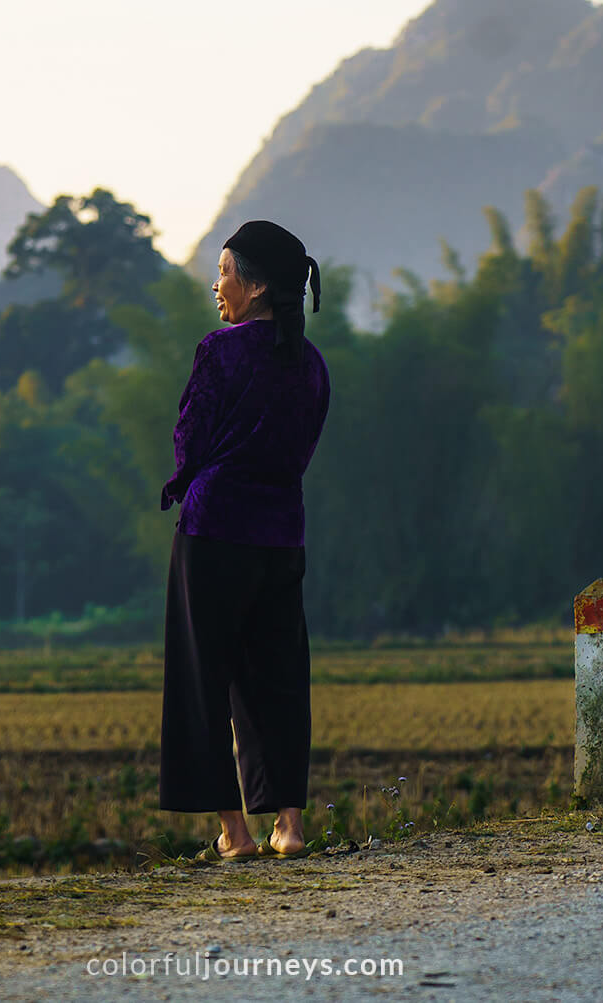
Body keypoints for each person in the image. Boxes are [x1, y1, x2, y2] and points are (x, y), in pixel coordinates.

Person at [158, 220, 331, 862]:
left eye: (226, 271)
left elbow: (190, 438)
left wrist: (184, 481)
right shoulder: (310, 365)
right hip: (282, 532)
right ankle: (290, 826)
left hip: (214, 529)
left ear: (256, 288)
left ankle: (236, 833)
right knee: (279, 676)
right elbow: (302, 448)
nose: (218, 283)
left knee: (206, 678)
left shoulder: (219, 351)